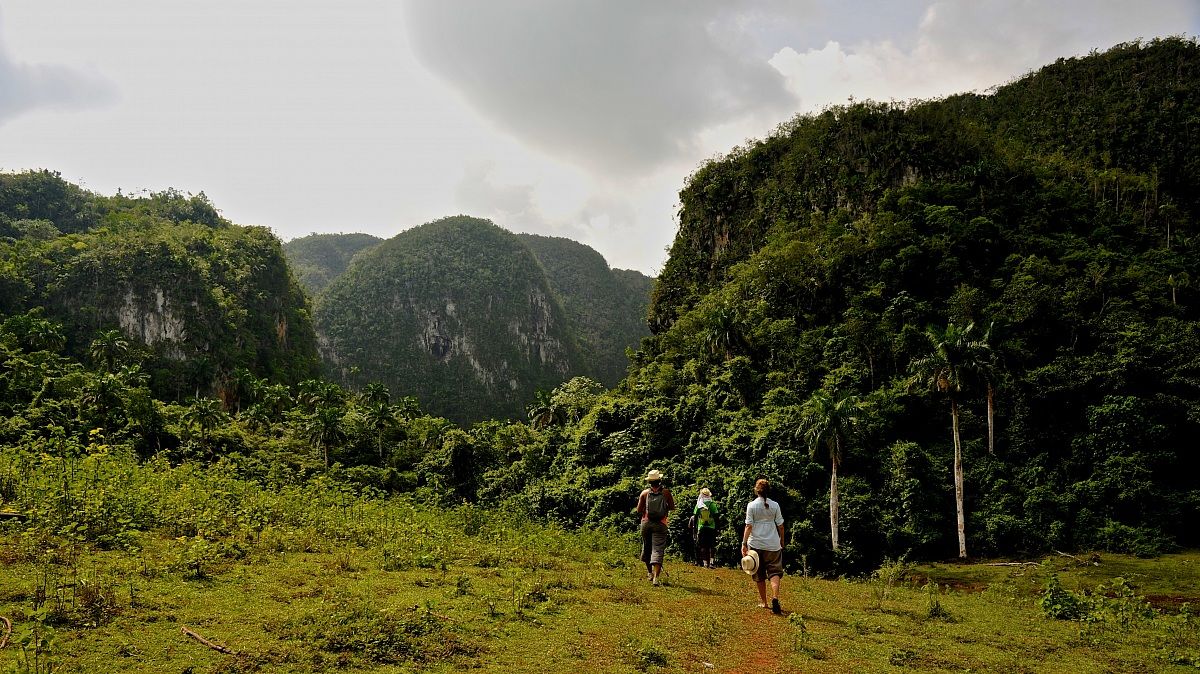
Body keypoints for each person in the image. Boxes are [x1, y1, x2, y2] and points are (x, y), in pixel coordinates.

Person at [741, 478, 785, 614]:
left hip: (756, 544)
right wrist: (781, 540)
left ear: (756, 490)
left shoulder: (751, 505)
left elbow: (748, 526)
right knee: (775, 572)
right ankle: (775, 597)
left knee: (758, 573)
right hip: (773, 544)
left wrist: (744, 543)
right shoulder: (775, 505)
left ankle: (764, 602)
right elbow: (781, 526)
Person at [636, 469, 674, 585]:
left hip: (646, 523)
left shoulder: (644, 493)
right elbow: (672, 507)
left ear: (649, 482)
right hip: (661, 524)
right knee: (658, 549)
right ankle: (656, 578)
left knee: (647, 547)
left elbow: (638, 510)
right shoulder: (666, 493)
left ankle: (649, 573)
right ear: (659, 480)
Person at [694, 487, 719, 568]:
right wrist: (717, 528)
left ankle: (705, 563)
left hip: (701, 527)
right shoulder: (712, 504)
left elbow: (695, 517)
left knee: (703, 545)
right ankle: (712, 562)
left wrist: (695, 529)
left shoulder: (699, 505)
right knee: (712, 545)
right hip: (711, 527)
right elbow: (716, 516)